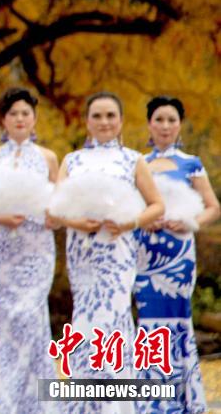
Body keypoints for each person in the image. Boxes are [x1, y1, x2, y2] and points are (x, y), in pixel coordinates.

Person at [47, 92, 164, 414]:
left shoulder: (132, 159)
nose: (104, 122)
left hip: (118, 253)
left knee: (113, 318)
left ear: (121, 121)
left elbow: (158, 205)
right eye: (97, 116)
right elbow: (54, 210)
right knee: (84, 319)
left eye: (110, 115)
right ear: (87, 121)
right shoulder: (72, 161)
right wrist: (76, 221)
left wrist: (131, 222)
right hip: (83, 252)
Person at [0, 88, 59, 413]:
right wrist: (1, 217)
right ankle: (12, 402)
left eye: (25, 113)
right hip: (3, 247)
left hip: (38, 247)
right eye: (13, 114)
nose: (20, 119)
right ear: (3, 120)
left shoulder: (48, 157)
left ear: (34, 118)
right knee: (12, 320)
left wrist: (52, 216)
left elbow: (58, 205)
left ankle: (42, 404)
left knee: (33, 317)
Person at [134, 96, 219, 413]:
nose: (165, 126)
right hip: (146, 253)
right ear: (149, 124)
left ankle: (181, 400)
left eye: (171, 120)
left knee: (176, 320)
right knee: (149, 322)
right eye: (159, 119)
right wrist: (146, 220)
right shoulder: (138, 163)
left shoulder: (191, 163)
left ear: (180, 124)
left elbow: (213, 207)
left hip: (178, 256)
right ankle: (150, 400)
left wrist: (188, 221)